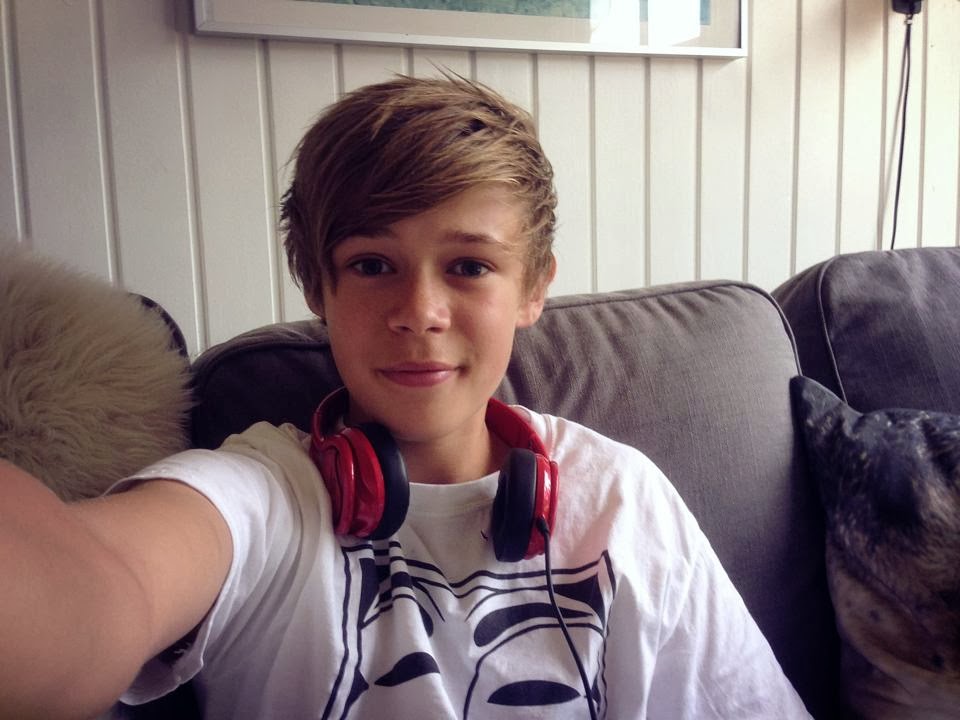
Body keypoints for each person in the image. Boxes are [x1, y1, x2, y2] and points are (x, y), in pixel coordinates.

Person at [0, 74, 811, 720]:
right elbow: (98, 590)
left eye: (469, 266)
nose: (419, 312)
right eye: (372, 265)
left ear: (534, 289)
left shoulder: (622, 498)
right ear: (316, 286)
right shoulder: (262, 495)